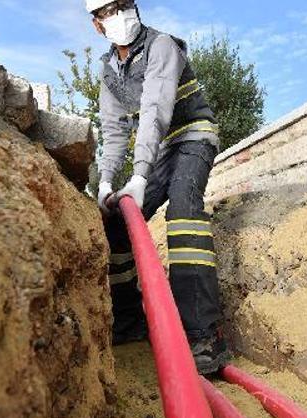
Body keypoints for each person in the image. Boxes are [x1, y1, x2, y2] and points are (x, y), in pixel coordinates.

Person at [86, 0, 229, 374]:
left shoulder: (162, 45)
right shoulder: (108, 71)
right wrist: (105, 182)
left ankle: (203, 335)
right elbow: (114, 131)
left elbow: (154, 108)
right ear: (97, 25)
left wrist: (139, 174)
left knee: (184, 210)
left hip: (193, 136)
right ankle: (130, 323)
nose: (121, 14)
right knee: (115, 224)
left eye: (124, 4)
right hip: (162, 149)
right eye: (109, 10)